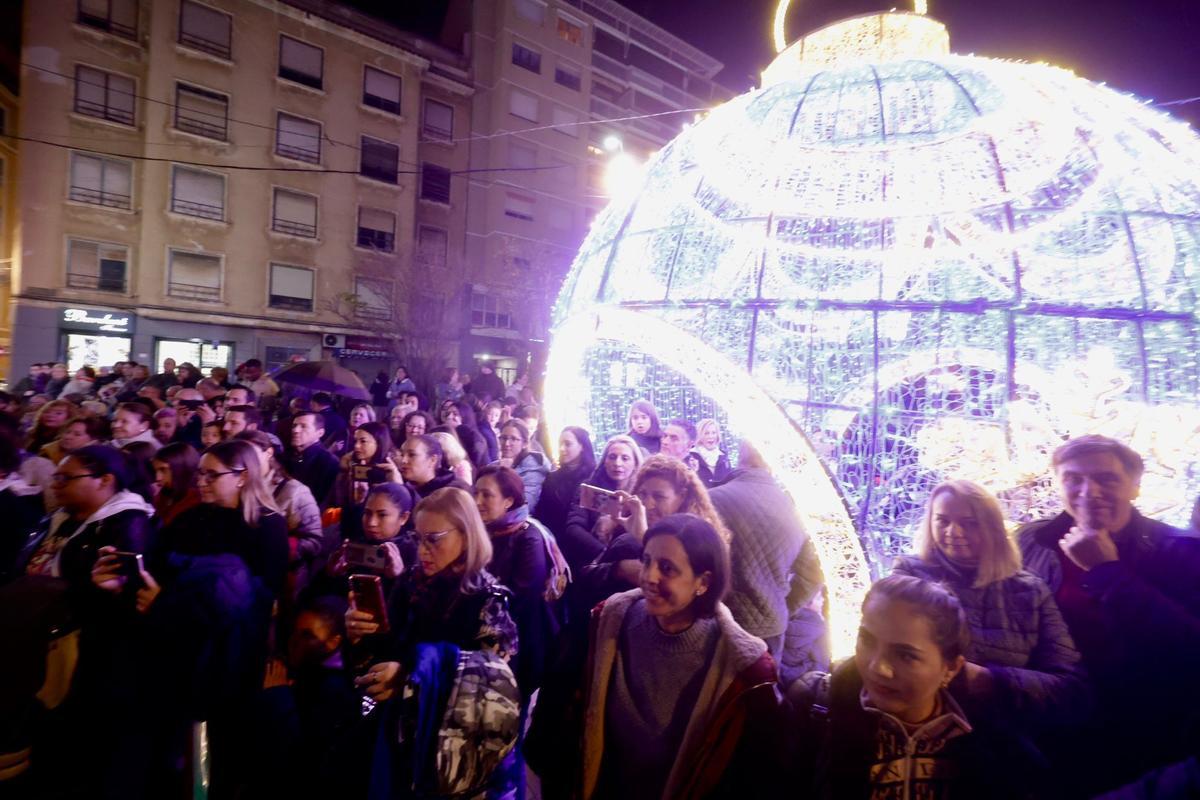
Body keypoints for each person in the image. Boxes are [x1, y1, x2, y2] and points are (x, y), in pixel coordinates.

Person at [1018, 434, 1200, 794]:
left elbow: (1188, 648)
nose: (1089, 491)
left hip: (1145, 734)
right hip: (1051, 725)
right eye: (1073, 479)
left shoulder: (1179, 549)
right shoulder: (1031, 541)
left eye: (1107, 478)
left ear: (1134, 487)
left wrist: (1107, 572)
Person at [577, 513, 781, 800]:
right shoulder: (610, 621)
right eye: (646, 560)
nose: (648, 576)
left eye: (667, 568)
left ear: (703, 582)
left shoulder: (740, 670)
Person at [788, 574, 1044, 799]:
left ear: (951, 668)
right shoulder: (819, 713)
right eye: (866, 640)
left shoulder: (995, 745)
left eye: (906, 655)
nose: (878, 667)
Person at [346, 487, 519, 796]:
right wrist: (360, 635)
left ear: (466, 536)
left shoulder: (488, 601)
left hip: (445, 754)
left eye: (433, 539)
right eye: (418, 538)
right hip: (396, 737)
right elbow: (384, 653)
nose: (423, 550)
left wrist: (410, 677)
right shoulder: (411, 583)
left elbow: (486, 693)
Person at [891, 479, 1088, 728]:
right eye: (943, 520)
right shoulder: (909, 574)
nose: (954, 532)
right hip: (922, 725)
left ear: (992, 528)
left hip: (1005, 732)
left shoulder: (1029, 590)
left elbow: (1070, 685)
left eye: (969, 523)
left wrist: (993, 679)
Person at [709, 440, 825, 666]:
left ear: (740, 455)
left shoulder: (712, 499)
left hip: (718, 621)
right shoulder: (796, 510)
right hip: (771, 627)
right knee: (761, 695)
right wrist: (783, 606)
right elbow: (813, 574)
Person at [579, 453, 731, 613]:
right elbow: (586, 580)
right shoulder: (625, 535)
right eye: (643, 494)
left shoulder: (701, 543)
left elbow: (700, 604)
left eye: (659, 496)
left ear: (682, 496)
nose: (647, 504)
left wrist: (643, 540)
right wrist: (619, 569)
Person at [252, 595, 359, 799]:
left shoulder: (335, 690)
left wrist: (278, 696)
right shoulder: (305, 671)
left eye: (307, 635)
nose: (294, 641)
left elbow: (302, 758)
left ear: (333, 642)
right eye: (296, 632)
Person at [475, 464, 551, 698]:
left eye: (487, 495)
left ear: (508, 501)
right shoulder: (483, 532)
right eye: (475, 493)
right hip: (484, 637)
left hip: (519, 643)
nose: (477, 501)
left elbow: (522, 598)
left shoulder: (529, 536)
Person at [236, 430, 324, 600]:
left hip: (281, 579)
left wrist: (281, 546)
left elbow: (314, 541)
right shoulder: (237, 486)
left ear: (268, 453)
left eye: (250, 454)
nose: (245, 461)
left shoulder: (295, 492)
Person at [561, 434, 643, 573]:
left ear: (635, 463)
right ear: (604, 461)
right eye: (612, 457)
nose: (617, 463)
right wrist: (603, 552)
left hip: (630, 562)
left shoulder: (641, 493)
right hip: (592, 560)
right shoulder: (590, 487)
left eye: (625, 458)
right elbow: (574, 527)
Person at [535, 426, 595, 540]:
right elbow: (541, 515)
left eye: (568, 444)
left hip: (584, 542)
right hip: (554, 541)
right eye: (560, 444)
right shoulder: (551, 478)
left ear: (582, 446)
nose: (562, 448)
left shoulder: (594, 478)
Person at [335, 421, 393, 538]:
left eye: (363, 441)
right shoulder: (348, 467)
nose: (356, 446)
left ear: (379, 443)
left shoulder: (388, 473)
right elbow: (337, 502)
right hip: (347, 528)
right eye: (355, 441)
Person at [284, 411, 340, 507]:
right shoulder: (288, 456)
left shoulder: (328, 462)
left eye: (303, 426)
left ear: (320, 433)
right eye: (294, 426)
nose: (295, 430)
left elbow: (325, 501)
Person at [494, 418, 551, 510]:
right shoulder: (493, 466)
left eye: (513, 439)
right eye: (503, 438)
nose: (507, 443)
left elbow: (524, 507)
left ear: (524, 443)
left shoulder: (534, 470)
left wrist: (505, 474)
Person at [396, 434, 470, 498]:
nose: (403, 460)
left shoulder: (454, 491)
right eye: (402, 455)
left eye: (412, 455)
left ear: (432, 460)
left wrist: (401, 492)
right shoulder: (404, 482)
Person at [151, 441, 201, 527]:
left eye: (163, 470)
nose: (158, 478)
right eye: (156, 471)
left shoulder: (196, 501)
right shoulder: (165, 493)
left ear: (182, 468)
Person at [43, 414, 108, 464]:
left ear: (92, 440)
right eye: (67, 432)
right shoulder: (48, 453)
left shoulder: (100, 459)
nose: (67, 437)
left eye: (77, 434)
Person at [442, 399, 488, 468]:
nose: (449, 417)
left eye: (455, 414)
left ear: (465, 416)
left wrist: (461, 428)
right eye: (447, 414)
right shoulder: (446, 434)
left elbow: (476, 462)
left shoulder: (475, 437)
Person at [686, 419, 730, 487]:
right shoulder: (690, 456)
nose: (711, 436)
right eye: (706, 433)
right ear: (699, 435)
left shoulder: (724, 458)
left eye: (713, 433)